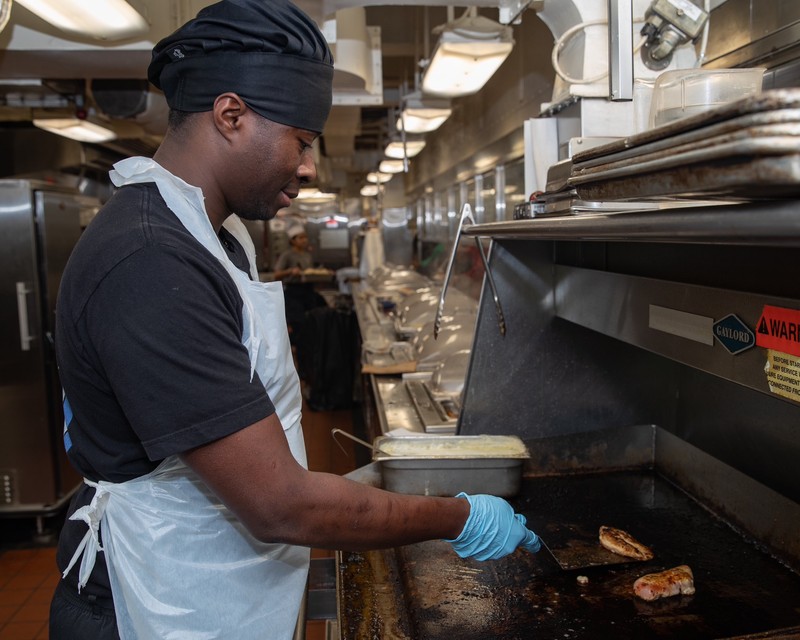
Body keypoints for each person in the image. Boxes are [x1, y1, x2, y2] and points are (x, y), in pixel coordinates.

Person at [48, 2, 542, 639]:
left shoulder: (214, 237)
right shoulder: (149, 258)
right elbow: (278, 505)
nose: (309, 167)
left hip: (201, 573)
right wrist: (459, 518)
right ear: (231, 116)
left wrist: (356, 489)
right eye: (302, 142)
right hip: (144, 602)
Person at [273, 223, 327, 346]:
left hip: (308, 291)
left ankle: (310, 352)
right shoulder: (287, 255)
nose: (304, 240)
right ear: (293, 240)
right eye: (301, 238)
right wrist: (290, 271)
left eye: (305, 237)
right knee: (298, 325)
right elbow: (276, 274)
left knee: (311, 323)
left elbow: (308, 273)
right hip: (293, 293)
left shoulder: (307, 255)